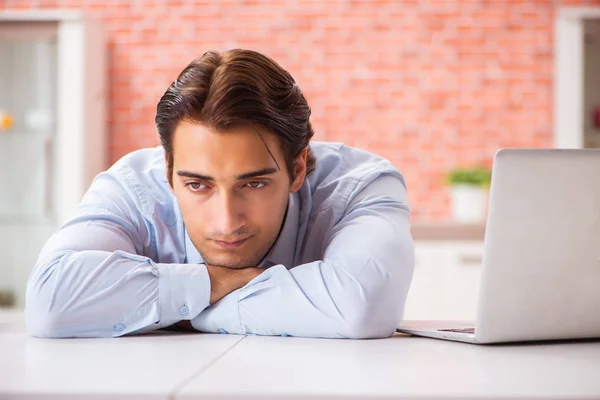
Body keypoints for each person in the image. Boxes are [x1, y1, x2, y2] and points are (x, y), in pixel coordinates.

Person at [25, 49, 415, 339]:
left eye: (254, 183)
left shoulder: (359, 184)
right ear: (168, 172)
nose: (226, 221)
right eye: (197, 185)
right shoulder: (131, 186)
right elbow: (49, 301)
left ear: (298, 168)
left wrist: (188, 309)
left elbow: (364, 307)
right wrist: (212, 282)